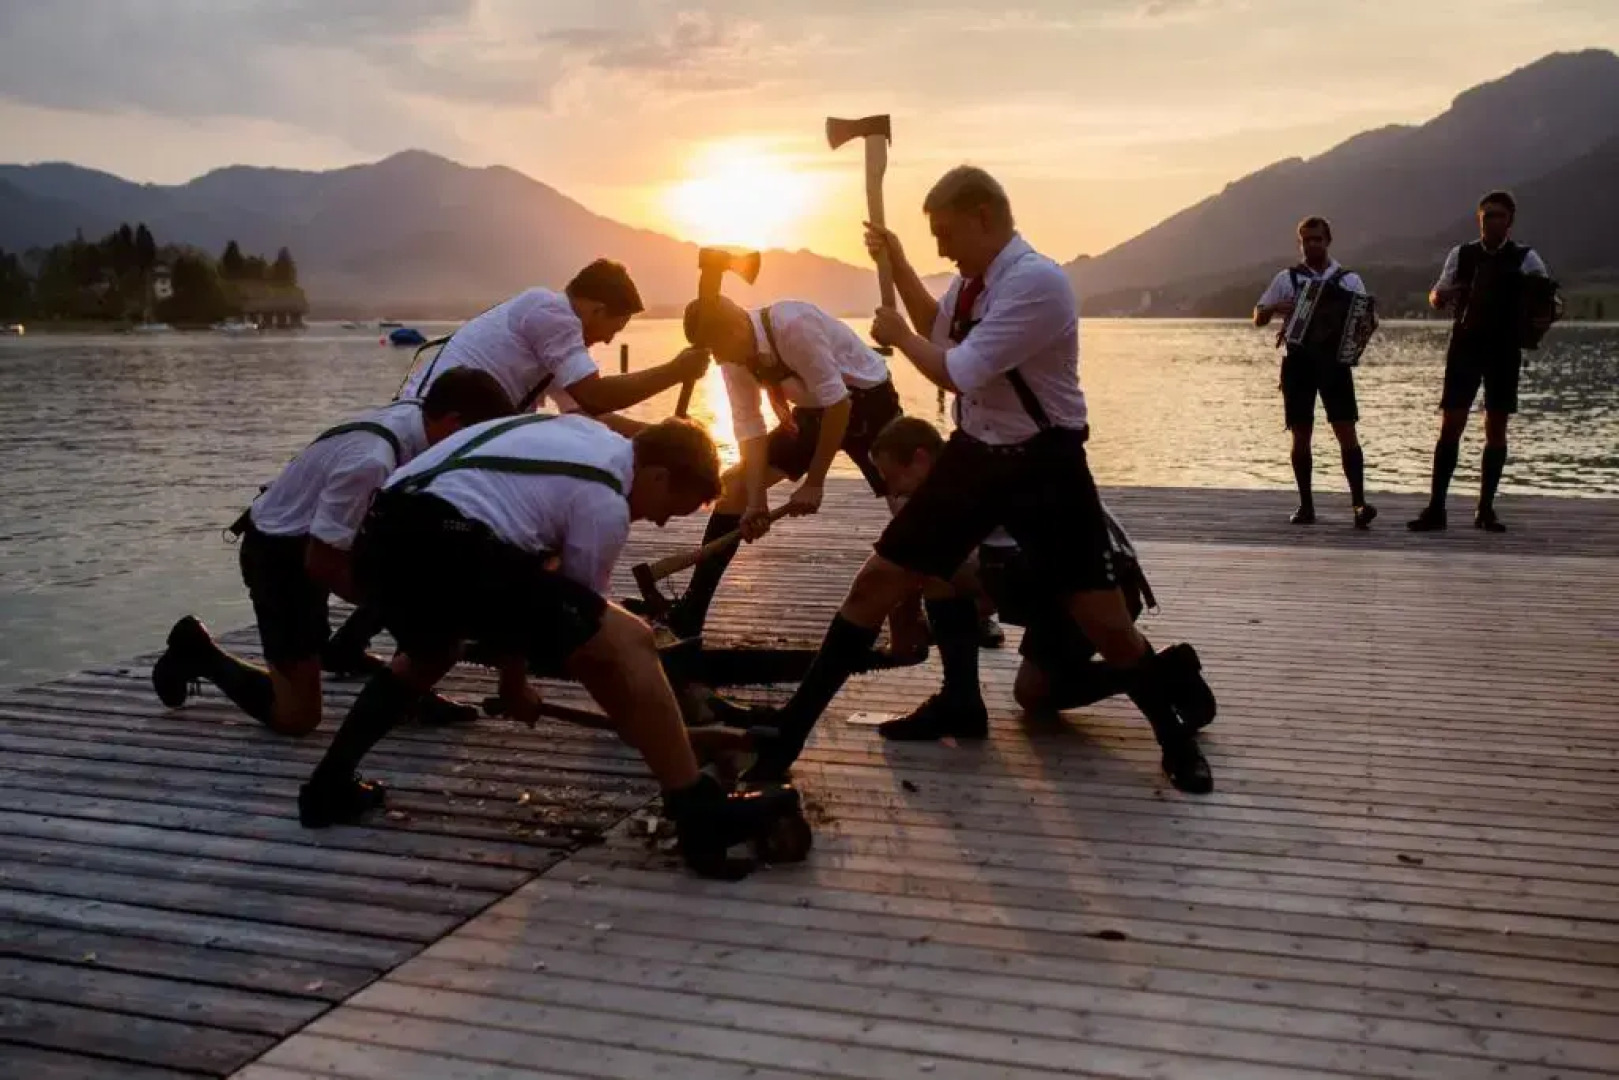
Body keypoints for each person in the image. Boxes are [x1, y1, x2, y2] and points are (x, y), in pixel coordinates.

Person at [741, 165, 1215, 794]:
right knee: (877, 581)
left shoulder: (1037, 284)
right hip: (976, 453)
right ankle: (789, 731)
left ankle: (1175, 740)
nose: (942, 248)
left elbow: (957, 369)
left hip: (1046, 464)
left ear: (983, 217)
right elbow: (941, 330)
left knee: (1105, 622)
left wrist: (897, 338)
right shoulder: (975, 286)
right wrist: (902, 265)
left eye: (944, 233)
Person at [295, 411, 801, 879]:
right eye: (673, 508)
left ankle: (327, 786)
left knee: (433, 652)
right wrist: (524, 685)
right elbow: (584, 638)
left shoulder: (588, 437)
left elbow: (526, 596)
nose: (663, 522)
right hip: (447, 542)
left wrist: (515, 676)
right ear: (659, 476)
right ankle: (697, 810)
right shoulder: (604, 499)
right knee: (632, 640)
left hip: (386, 533)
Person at [324, 259, 713, 675]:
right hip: (438, 432)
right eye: (611, 330)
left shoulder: (554, 343)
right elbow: (596, 395)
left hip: (465, 441)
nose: (603, 341)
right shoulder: (551, 312)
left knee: (441, 567)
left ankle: (358, 645)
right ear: (595, 308)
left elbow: (588, 418)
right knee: (438, 561)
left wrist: (674, 444)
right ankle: (399, 661)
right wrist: (674, 372)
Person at [150, 368, 515, 735]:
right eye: (476, 440)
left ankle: (408, 694)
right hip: (282, 554)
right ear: (453, 422)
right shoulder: (370, 462)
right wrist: (404, 616)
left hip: (335, 533)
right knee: (297, 717)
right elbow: (322, 563)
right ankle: (198, 651)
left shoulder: (419, 417)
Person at [867, 416, 1216, 748]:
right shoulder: (960, 475)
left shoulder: (968, 481)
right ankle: (1169, 668)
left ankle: (960, 702)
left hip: (1100, 587)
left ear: (920, 459)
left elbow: (925, 570)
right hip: (1051, 588)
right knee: (1034, 694)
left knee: (939, 569)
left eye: (891, 477)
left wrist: (908, 624)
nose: (890, 490)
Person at [660, 294, 905, 640]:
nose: (717, 360)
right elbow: (751, 429)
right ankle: (690, 614)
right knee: (735, 489)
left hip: (866, 401)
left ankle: (967, 605)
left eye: (717, 349)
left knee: (907, 504)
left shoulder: (793, 326)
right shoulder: (733, 358)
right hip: (813, 408)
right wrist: (756, 500)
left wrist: (815, 483)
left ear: (736, 327)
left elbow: (839, 405)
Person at [1409, 190, 1559, 533]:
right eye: (1486, 215)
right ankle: (1436, 509)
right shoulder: (1460, 255)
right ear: (1479, 219)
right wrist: (1440, 295)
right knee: (1451, 424)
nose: (1492, 221)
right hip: (1465, 344)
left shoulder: (1527, 258)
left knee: (1496, 427)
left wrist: (1534, 329)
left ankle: (1485, 509)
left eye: (1499, 215)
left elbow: (1546, 304)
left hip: (1504, 348)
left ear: (1510, 220)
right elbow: (1436, 296)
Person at [1253, 217, 1377, 528]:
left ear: (1328, 241)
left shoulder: (1349, 281)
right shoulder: (1287, 279)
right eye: (1306, 240)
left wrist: (1357, 338)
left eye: (1317, 239)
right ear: (1300, 243)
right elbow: (1258, 317)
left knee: (1346, 431)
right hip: (1298, 362)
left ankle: (1359, 504)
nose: (1311, 245)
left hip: (1335, 364)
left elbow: (1367, 320)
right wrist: (1272, 309)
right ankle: (1306, 505)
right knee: (1301, 434)